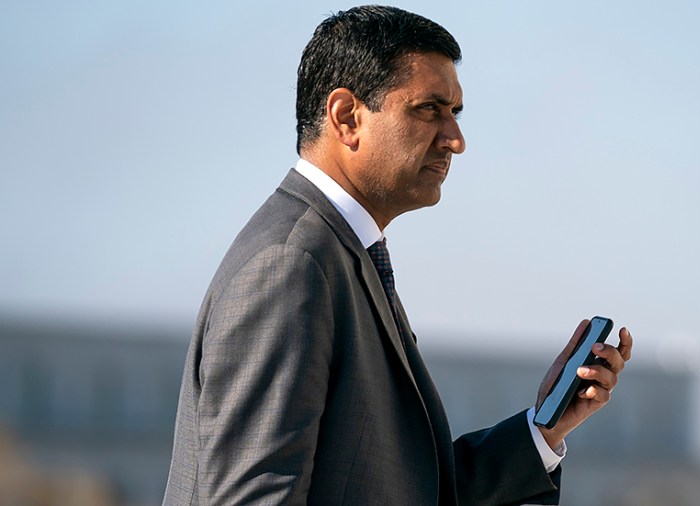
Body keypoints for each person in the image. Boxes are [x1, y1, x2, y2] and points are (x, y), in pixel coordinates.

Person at [163, 5, 633, 505]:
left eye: (455, 112)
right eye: (429, 109)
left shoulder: (341, 254)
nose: (456, 139)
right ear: (346, 117)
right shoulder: (291, 265)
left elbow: (405, 490)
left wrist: (543, 431)